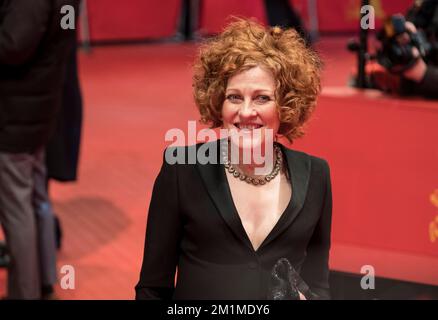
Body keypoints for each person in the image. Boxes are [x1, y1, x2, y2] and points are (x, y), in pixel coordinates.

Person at [136, 18, 332, 300]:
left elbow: (319, 287)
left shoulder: (316, 176)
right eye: (234, 97)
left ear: (287, 104)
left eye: (262, 98)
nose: (246, 112)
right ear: (218, 101)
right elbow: (152, 288)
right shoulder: (182, 170)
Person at [0, 0, 79, 299]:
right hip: (39, 106)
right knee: (36, 199)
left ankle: (25, 291)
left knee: (17, 208)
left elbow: (13, 46)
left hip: (17, 111)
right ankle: (43, 280)